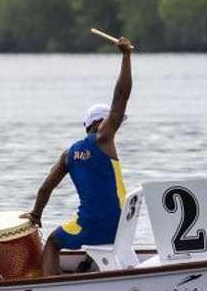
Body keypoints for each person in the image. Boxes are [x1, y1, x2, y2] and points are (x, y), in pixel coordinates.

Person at [23, 37, 135, 276]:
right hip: (120, 225)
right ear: (98, 123)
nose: (115, 125)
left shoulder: (68, 155)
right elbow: (121, 96)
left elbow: (45, 188)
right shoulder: (104, 137)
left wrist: (36, 215)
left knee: (53, 241)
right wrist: (126, 56)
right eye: (110, 120)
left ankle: (58, 280)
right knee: (72, 230)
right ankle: (63, 284)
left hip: (94, 225)